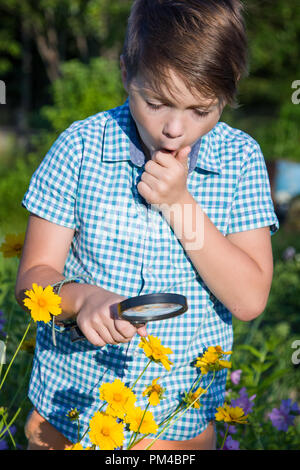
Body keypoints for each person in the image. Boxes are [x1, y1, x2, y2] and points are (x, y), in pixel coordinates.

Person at [15, 0, 279, 451]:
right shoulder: (80, 149)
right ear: (125, 75)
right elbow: (32, 279)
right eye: (156, 102)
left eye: (200, 110)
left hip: (179, 423)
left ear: (228, 91)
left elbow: (250, 298)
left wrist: (180, 205)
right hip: (70, 408)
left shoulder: (240, 160)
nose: (175, 128)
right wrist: (83, 299)